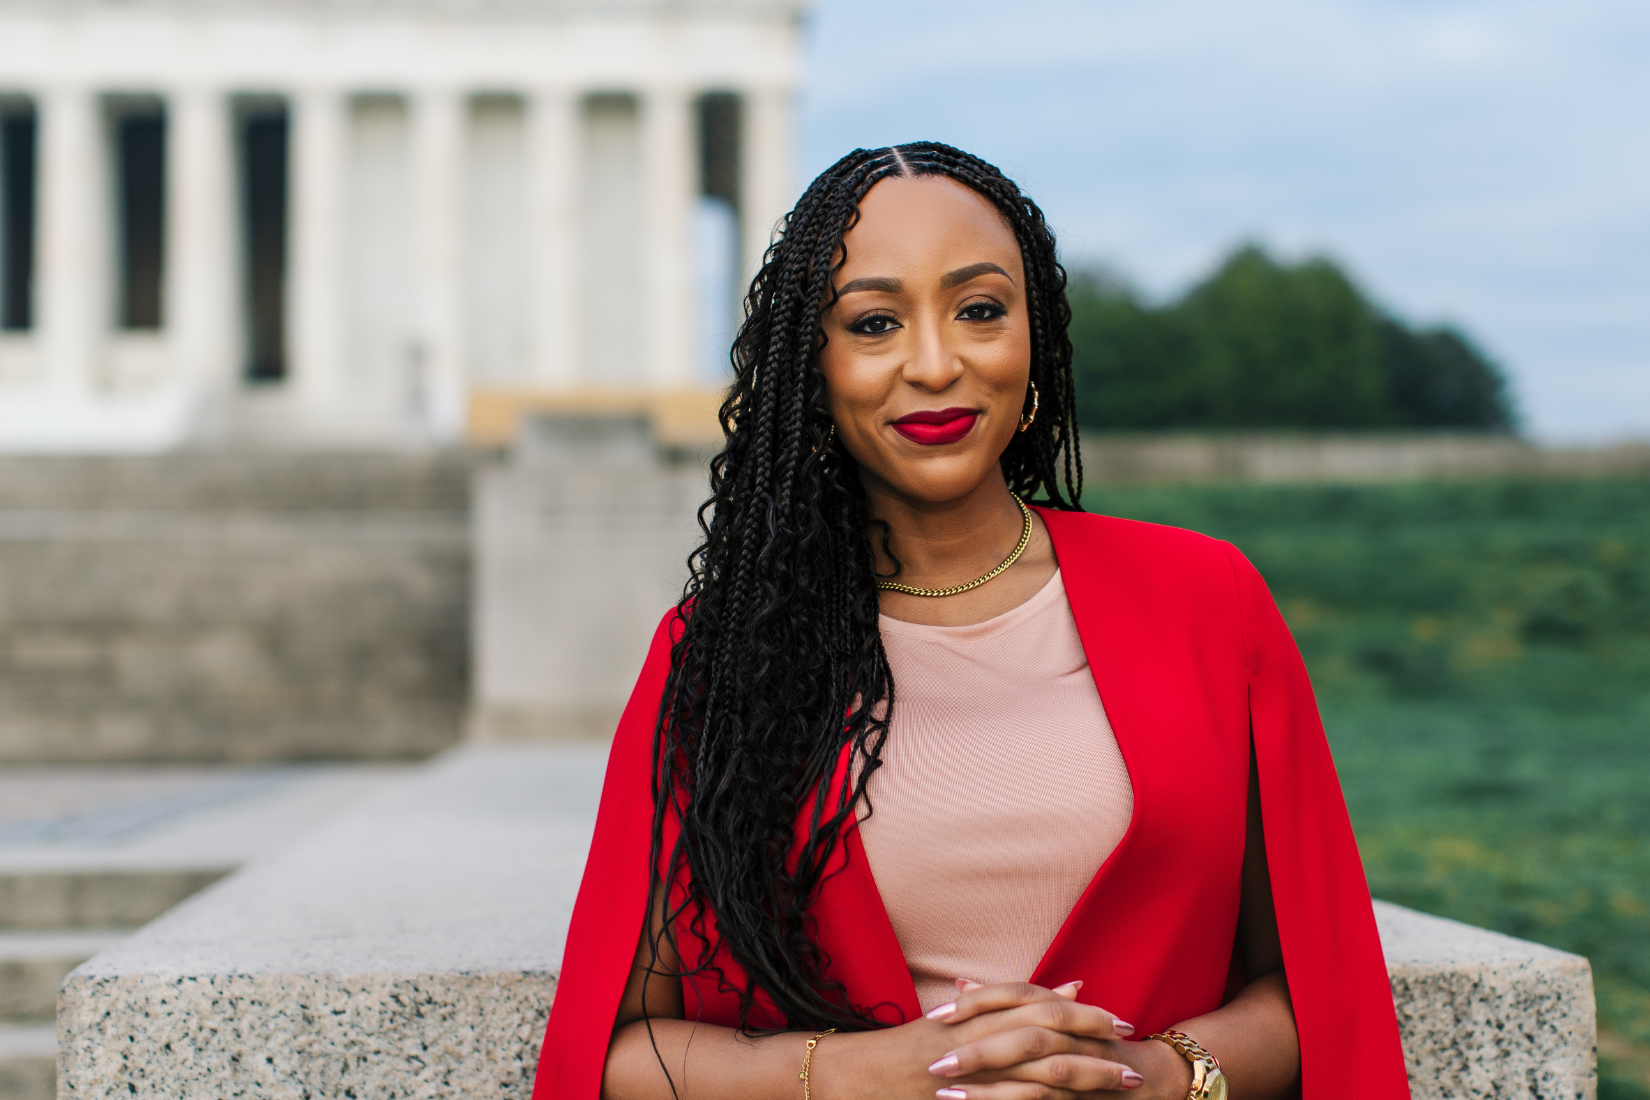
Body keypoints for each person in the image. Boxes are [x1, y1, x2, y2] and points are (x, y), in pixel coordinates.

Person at [533, 143, 1408, 1100]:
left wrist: (1159, 1076)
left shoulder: (1208, 597)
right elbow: (615, 1052)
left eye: (980, 309)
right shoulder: (721, 653)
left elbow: (1320, 985)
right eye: (874, 323)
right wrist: (856, 1076)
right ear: (811, 371)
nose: (936, 363)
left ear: (1037, 336)